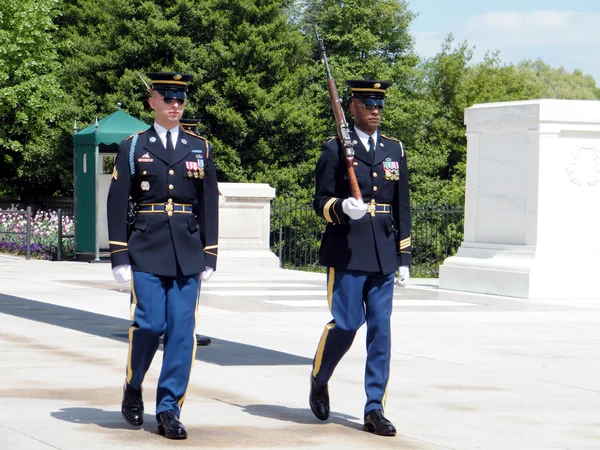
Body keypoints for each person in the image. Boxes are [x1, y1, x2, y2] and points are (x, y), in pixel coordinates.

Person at [107, 72, 219, 440]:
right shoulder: (134, 146)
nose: (175, 105)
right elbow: (116, 200)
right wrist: (119, 255)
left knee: (182, 334)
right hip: (146, 247)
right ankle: (133, 383)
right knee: (151, 325)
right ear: (152, 101)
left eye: (180, 99)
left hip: (187, 250)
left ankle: (169, 408)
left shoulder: (199, 147)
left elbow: (208, 203)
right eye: (167, 98)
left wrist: (210, 254)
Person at [308, 80, 411, 437]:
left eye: (379, 104)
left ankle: (374, 408)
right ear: (352, 107)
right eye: (368, 104)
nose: (375, 110)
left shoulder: (394, 149)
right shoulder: (335, 149)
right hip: (347, 248)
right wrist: (340, 208)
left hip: (382, 251)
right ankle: (320, 377)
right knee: (348, 324)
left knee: (380, 331)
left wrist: (405, 256)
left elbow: (402, 206)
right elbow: (319, 201)